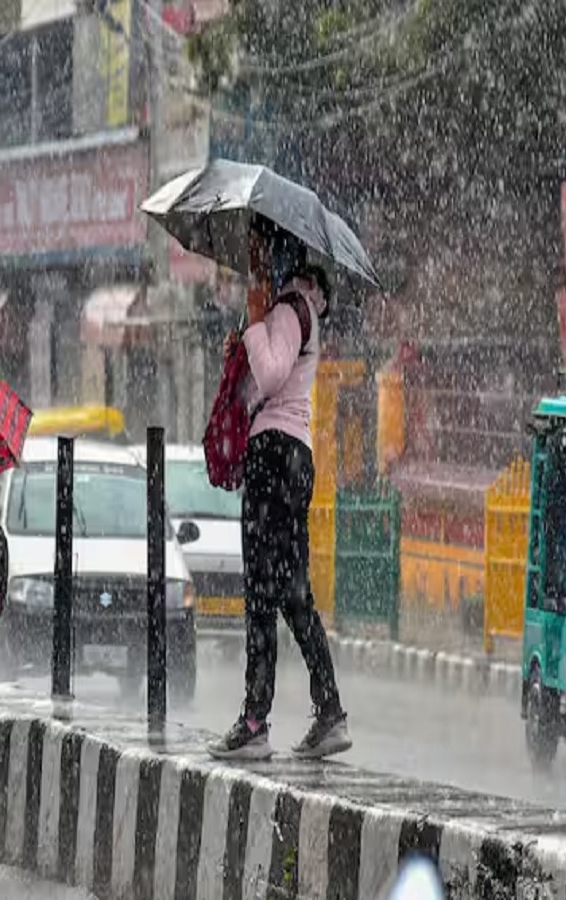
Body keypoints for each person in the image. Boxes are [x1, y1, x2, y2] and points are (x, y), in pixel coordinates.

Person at [208, 221, 351, 761]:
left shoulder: (291, 309)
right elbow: (259, 384)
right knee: (288, 591)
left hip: (276, 459)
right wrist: (243, 345)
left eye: (257, 257)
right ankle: (328, 709)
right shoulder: (289, 312)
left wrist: (252, 330)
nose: (253, 270)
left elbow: (269, 379)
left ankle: (254, 720)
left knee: (265, 594)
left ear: (279, 257)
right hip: (287, 459)